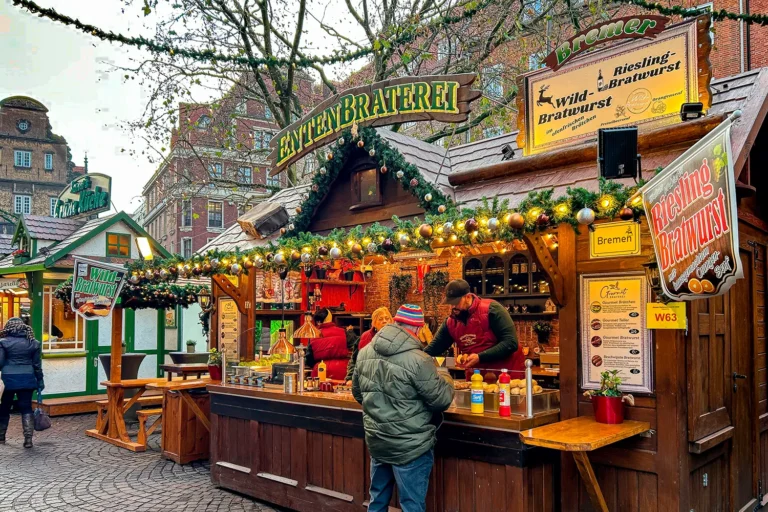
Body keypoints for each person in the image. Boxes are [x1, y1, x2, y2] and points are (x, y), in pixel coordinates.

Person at [353, 304, 454, 512]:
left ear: (395, 322)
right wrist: (443, 374)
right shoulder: (419, 360)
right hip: (411, 446)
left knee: (377, 501)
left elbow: (358, 393)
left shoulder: (364, 352)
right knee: (412, 506)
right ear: (417, 329)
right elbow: (442, 399)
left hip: (378, 441)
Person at [424, 279, 523, 378]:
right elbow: (433, 349)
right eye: (450, 303)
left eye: (456, 302)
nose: (453, 306)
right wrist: (414, 357)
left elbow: (511, 343)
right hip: (476, 378)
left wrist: (479, 357)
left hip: (506, 376)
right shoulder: (450, 323)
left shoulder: (492, 309)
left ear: (467, 297)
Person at [0, 317, 45, 448]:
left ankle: (1, 437)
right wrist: (40, 380)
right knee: (26, 408)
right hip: (27, 378)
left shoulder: (3, 342)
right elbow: (37, 365)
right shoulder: (34, 343)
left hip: (7, 380)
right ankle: (28, 440)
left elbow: (0, 363)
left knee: (4, 408)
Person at [344, 306, 392, 385]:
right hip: (366, 381)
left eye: (387, 318)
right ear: (374, 323)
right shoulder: (365, 337)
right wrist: (350, 378)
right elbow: (354, 360)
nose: (384, 321)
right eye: (380, 319)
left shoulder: (397, 337)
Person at [304, 308, 353, 380]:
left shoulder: (313, 335)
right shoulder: (343, 332)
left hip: (319, 371)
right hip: (341, 371)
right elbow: (357, 347)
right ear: (331, 318)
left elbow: (309, 359)